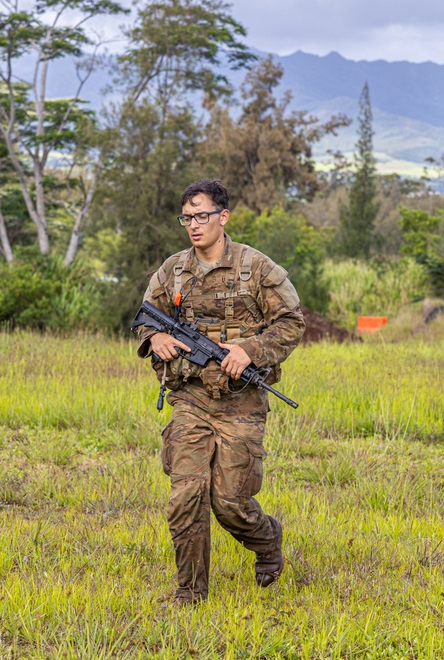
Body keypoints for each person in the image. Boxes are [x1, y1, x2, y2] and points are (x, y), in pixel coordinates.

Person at [135, 179, 306, 605]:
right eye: (187, 218)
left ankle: (267, 541)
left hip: (241, 404)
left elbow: (292, 323)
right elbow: (144, 317)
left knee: (230, 502)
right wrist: (153, 338)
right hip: (191, 398)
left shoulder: (257, 268)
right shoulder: (173, 270)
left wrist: (249, 350)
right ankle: (190, 593)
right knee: (186, 496)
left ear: (223, 216)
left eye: (202, 216)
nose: (193, 225)